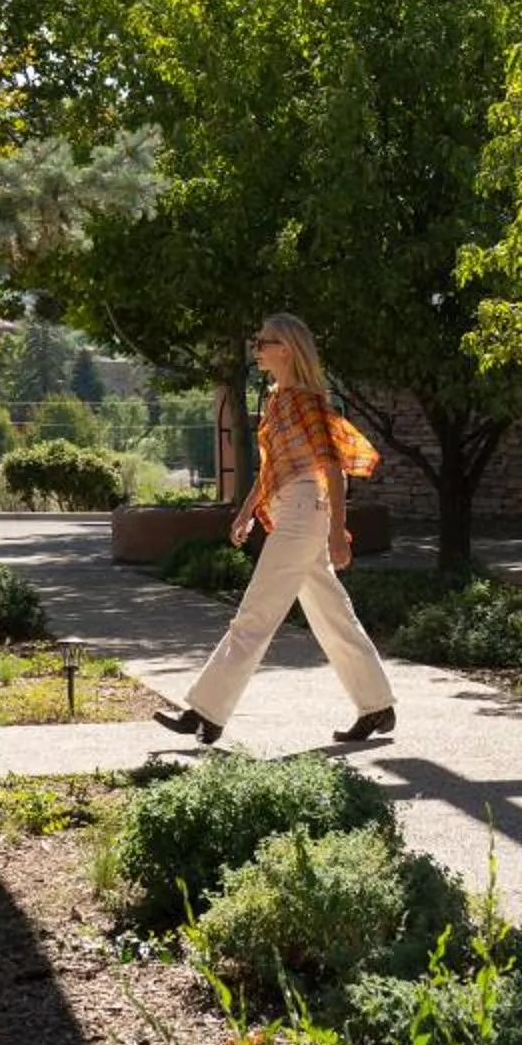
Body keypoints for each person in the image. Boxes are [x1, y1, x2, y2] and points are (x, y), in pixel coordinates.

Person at [154, 314, 398, 747]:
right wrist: (246, 511)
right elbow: (271, 470)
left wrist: (338, 532)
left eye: (263, 341)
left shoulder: (303, 401)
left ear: (285, 348)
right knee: (332, 615)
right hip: (293, 511)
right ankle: (376, 703)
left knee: (255, 615)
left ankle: (205, 713)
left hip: (306, 512)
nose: (256, 347)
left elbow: (334, 470)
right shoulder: (278, 399)